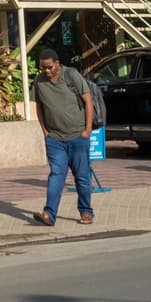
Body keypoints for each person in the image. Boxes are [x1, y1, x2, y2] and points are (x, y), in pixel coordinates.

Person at [31, 48, 94, 227]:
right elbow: (39, 107)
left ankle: (86, 211)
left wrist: (87, 131)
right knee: (56, 175)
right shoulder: (39, 82)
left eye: (49, 67)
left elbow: (88, 101)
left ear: (57, 63)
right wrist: (45, 131)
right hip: (55, 139)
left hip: (78, 137)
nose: (46, 71)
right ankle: (49, 214)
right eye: (43, 68)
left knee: (81, 177)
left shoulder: (71, 76)